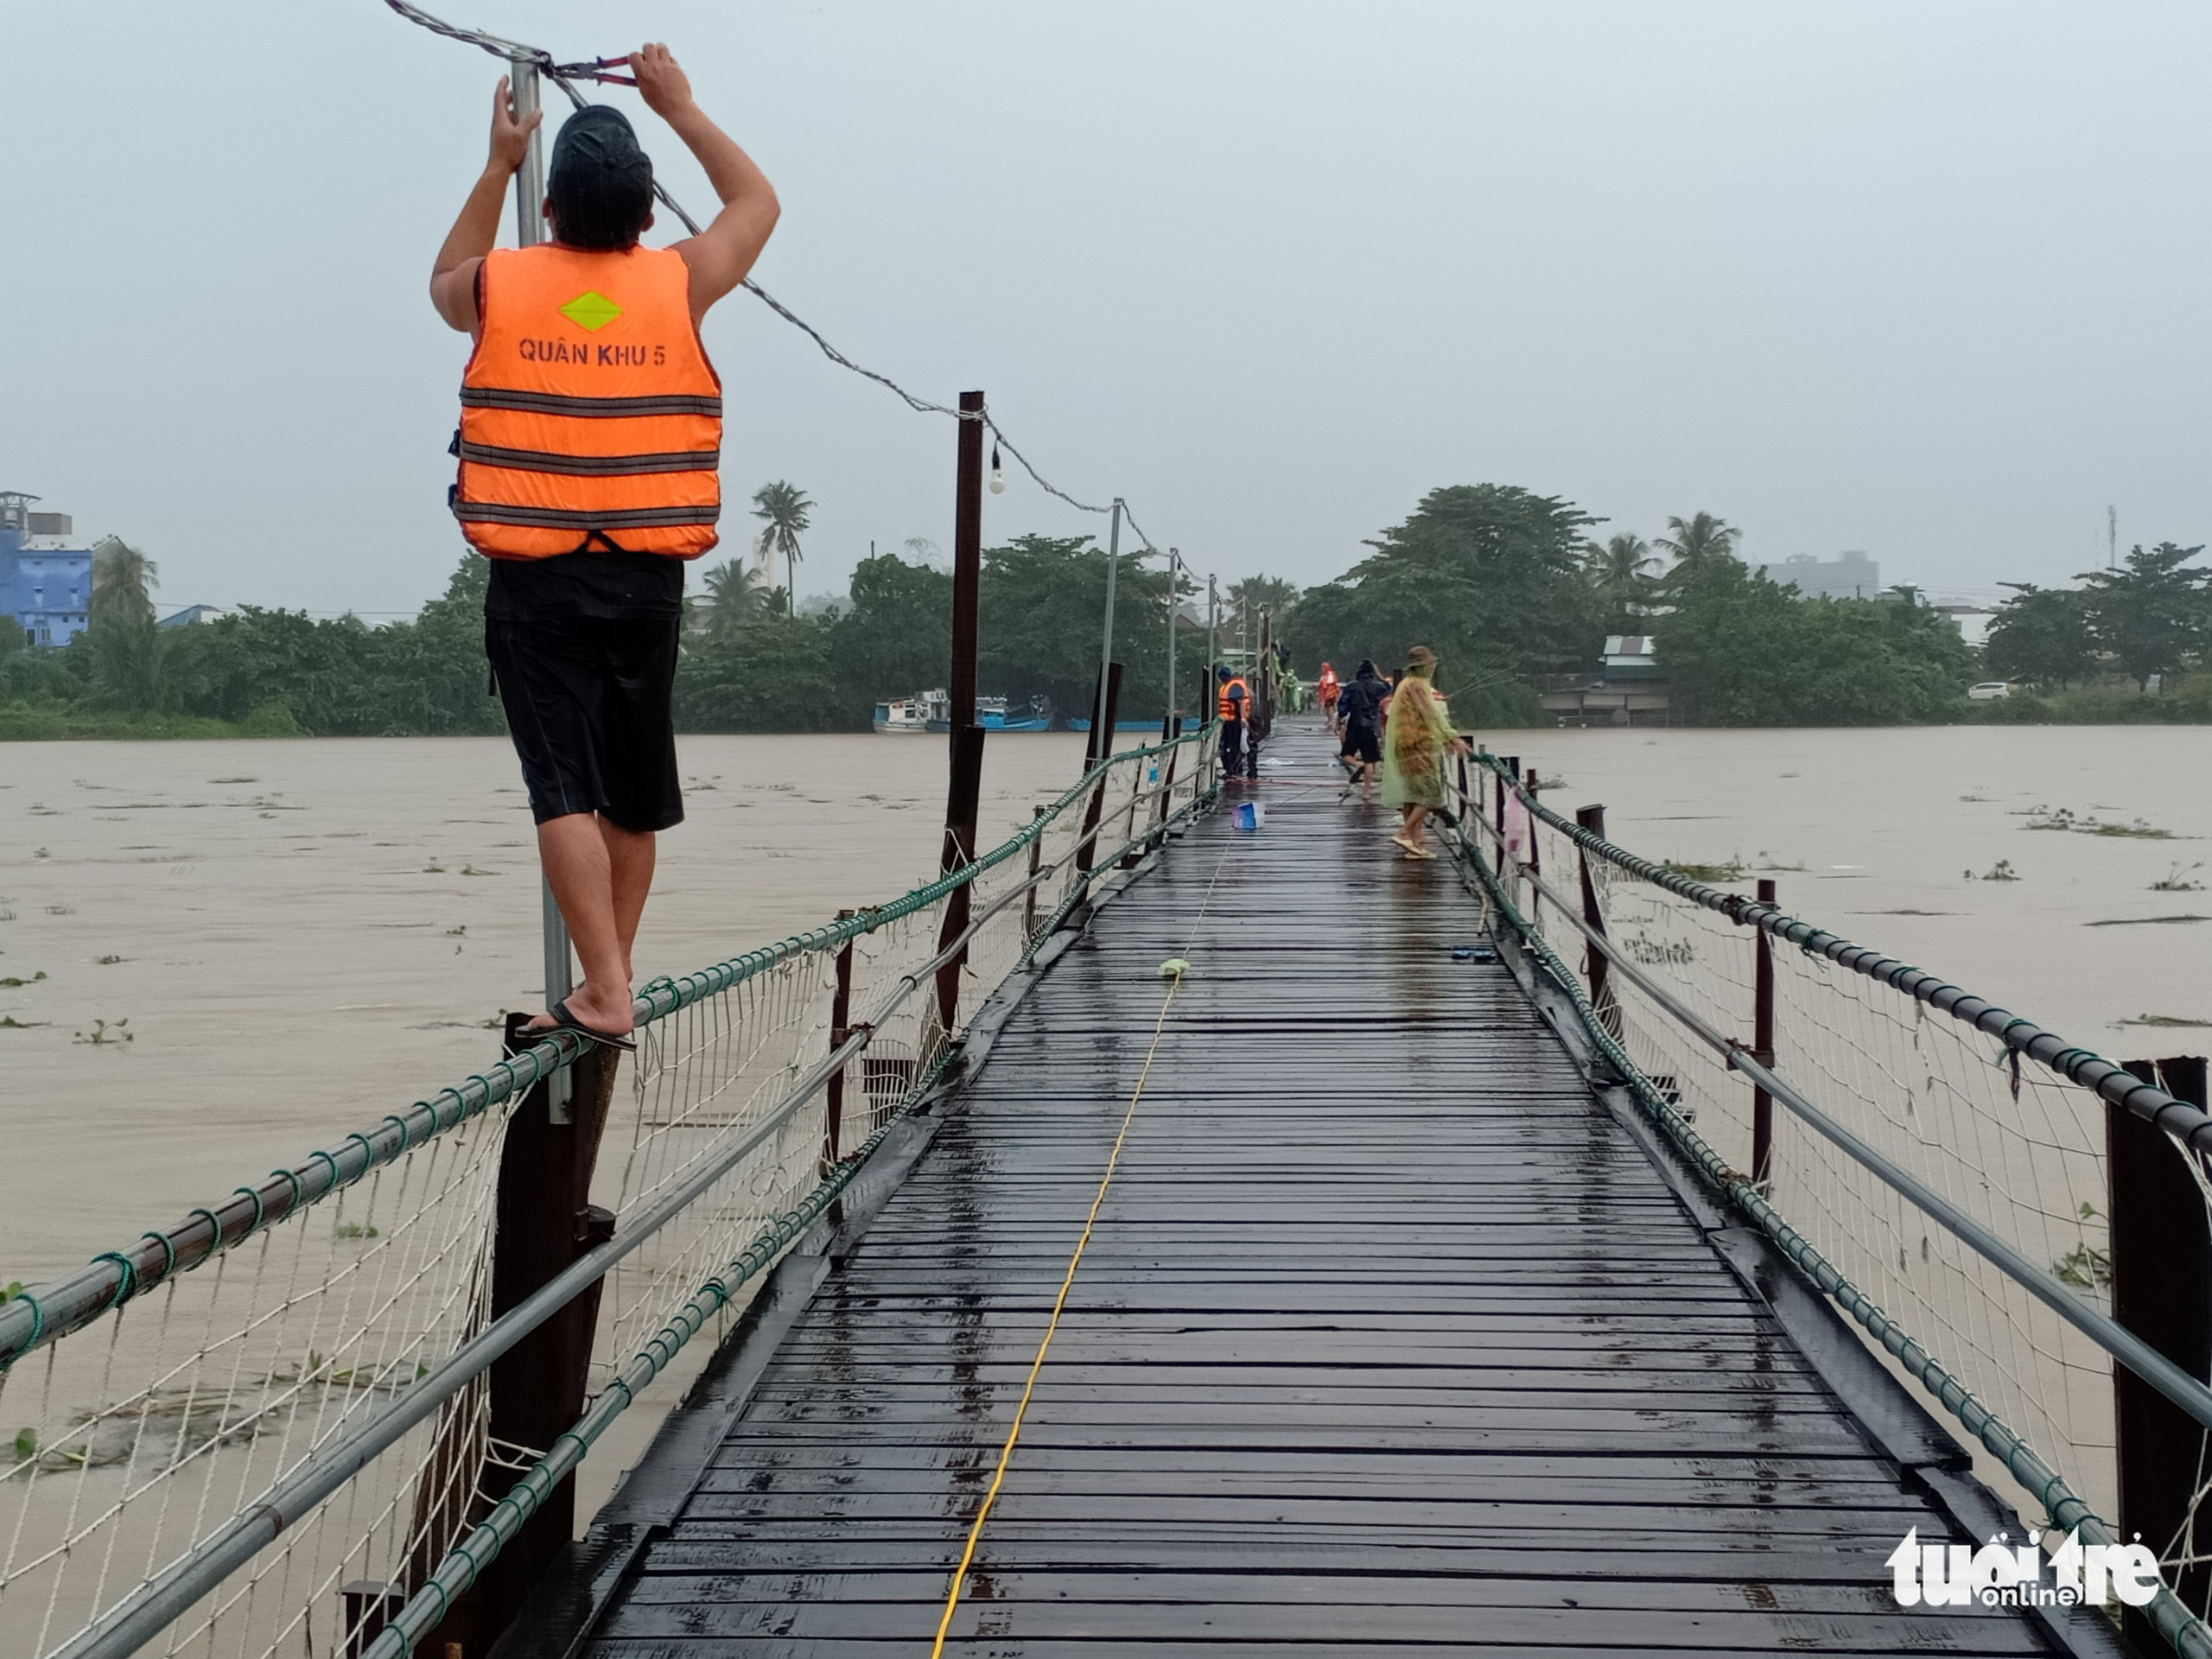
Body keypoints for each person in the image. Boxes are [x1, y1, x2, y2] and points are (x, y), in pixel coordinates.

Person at [429, 45, 780, 1044]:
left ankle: (606, 989)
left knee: (563, 784)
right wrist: (681, 107)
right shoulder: (679, 281)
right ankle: (608, 983)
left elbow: (442, 278)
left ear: (549, 213)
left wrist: (499, 164)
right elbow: (757, 204)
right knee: (628, 791)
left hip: (535, 574)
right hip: (646, 576)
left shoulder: (501, 287)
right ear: (644, 215)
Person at [1379, 645, 1471, 858]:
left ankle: (1414, 841)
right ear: (1425, 666)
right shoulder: (1419, 685)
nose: (1433, 667)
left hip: (1406, 746)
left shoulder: (1405, 684)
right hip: (1419, 746)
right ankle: (1404, 833)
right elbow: (1432, 715)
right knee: (1430, 795)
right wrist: (1451, 737)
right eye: (1432, 664)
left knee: (1412, 794)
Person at [1336, 659, 1388, 802]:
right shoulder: (1377, 687)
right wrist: (1379, 674)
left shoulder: (1352, 686)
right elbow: (1388, 687)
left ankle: (1358, 765)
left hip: (1355, 724)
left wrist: (1339, 720)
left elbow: (1343, 705)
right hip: (1371, 727)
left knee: (1346, 755)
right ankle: (1366, 792)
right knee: (1370, 761)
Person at [1216, 664, 1250, 781]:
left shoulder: (1234, 686)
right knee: (1224, 746)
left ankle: (1235, 771)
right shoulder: (1226, 686)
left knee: (1234, 746)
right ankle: (1230, 770)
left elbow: (1240, 702)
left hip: (1234, 721)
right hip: (1227, 721)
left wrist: (1243, 718)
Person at [1318, 661, 1341, 734]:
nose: (1322, 669)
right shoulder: (1324, 675)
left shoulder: (1330, 674)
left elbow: (1331, 685)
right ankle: (1330, 719)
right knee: (1327, 708)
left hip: (1331, 694)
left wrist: (1328, 694)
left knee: (1330, 707)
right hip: (1325, 694)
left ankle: (1332, 720)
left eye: (1323, 667)